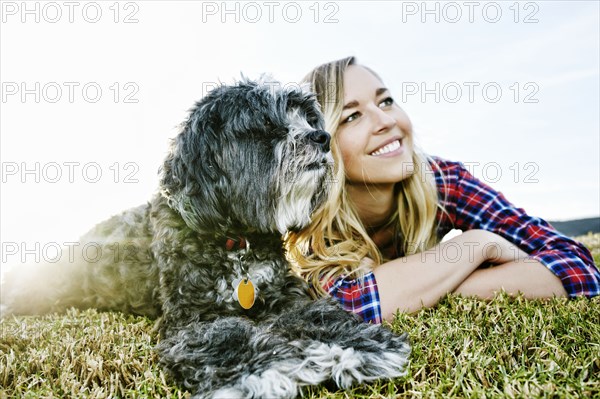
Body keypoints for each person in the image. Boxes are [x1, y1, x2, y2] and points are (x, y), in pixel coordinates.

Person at [286, 56, 600, 323]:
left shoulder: (444, 180)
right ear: (321, 146)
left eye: (386, 101)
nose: (385, 120)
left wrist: (422, 289)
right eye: (351, 116)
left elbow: (578, 268)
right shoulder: (309, 217)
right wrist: (477, 246)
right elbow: (346, 309)